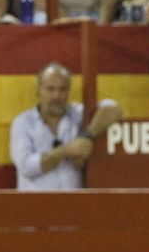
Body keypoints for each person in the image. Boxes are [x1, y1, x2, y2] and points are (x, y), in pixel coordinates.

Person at [10, 62, 124, 190]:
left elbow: (113, 108)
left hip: (75, 206)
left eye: (62, 89)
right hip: (36, 206)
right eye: (50, 89)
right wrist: (66, 151)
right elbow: (27, 167)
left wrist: (87, 137)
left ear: (69, 91)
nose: (56, 96)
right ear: (39, 90)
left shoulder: (78, 114)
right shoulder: (23, 123)